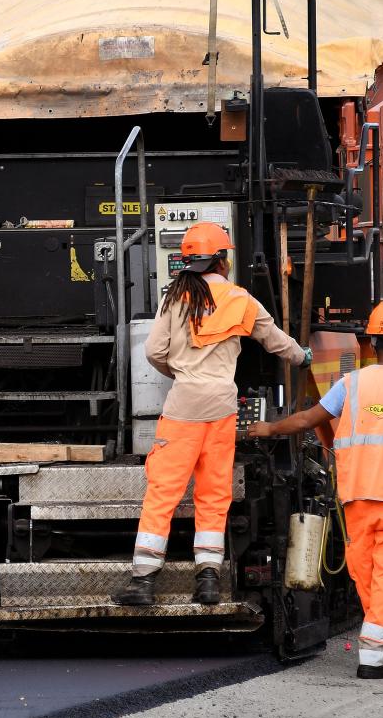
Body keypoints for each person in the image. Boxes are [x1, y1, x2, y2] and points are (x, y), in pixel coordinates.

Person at [247, 299, 383, 680]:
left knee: (373, 574)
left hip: (357, 495)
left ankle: (381, 653)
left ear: (372, 343)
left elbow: (309, 419)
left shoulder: (351, 384)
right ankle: (380, 650)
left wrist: (269, 428)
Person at [111, 222, 310, 607]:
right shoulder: (240, 299)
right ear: (223, 260)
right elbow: (277, 342)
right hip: (222, 408)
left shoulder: (175, 298)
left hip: (184, 405)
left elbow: (155, 351)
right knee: (214, 494)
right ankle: (208, 581)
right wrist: (303, 357)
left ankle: (143, 582)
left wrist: (179, 373)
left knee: (164, 492)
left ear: (188, 261)